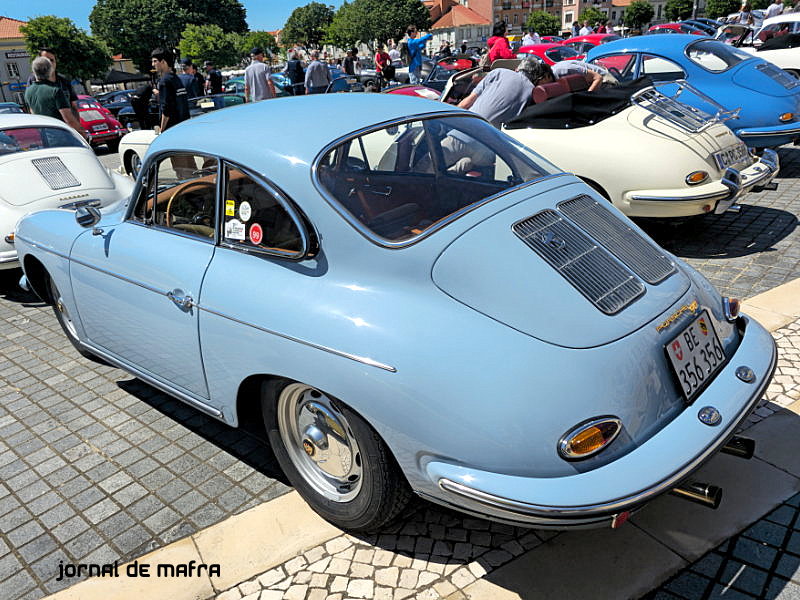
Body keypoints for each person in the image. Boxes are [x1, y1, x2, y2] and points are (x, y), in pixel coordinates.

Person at [456, 56, 542, 128]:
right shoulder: (532, 91)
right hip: (490, 141)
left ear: (516, 69)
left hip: (466, 128)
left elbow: (467, 103)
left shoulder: (498, 72)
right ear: (535, 78)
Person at [24, 57, 86, 138]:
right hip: (63, 136)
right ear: (50, 71)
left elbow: (34, 115)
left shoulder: (28, 92)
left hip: (45, 137)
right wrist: (82, 132)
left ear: (34, 72)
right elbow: (69, 119)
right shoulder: (56, 90)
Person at [26, 48, 78, 114]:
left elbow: (74, 106)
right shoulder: (32, 80)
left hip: (64, 122)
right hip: (46, 122)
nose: (49, 63)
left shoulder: (64, 81)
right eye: (46, 60)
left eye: (52, 60)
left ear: (56, 62)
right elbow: (31, 107)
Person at [151, 48, 189, 132]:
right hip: (184, 125)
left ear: (163, 62)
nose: (153, 64)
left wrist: (162, 130)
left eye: (155, 61)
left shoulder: (164, 81)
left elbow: (166, 109)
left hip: (172, 130)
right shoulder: (176, 78)